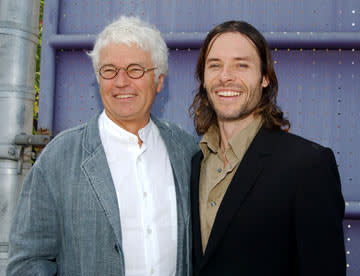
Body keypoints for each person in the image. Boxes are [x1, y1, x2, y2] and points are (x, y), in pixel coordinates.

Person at [7, 16, 198, 276]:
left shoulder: (186, 151)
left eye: (135, 70)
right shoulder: (59, 158)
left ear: (159, 80)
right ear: (98, 79)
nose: (121, 82)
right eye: (109, 70)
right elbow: (28, 263)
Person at [189, 20, 346, 276]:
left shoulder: (308, 165)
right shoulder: (196, 163)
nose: (225, 76)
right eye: (215, 65)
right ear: (203, 80)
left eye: (241, 65)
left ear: (264, 78)